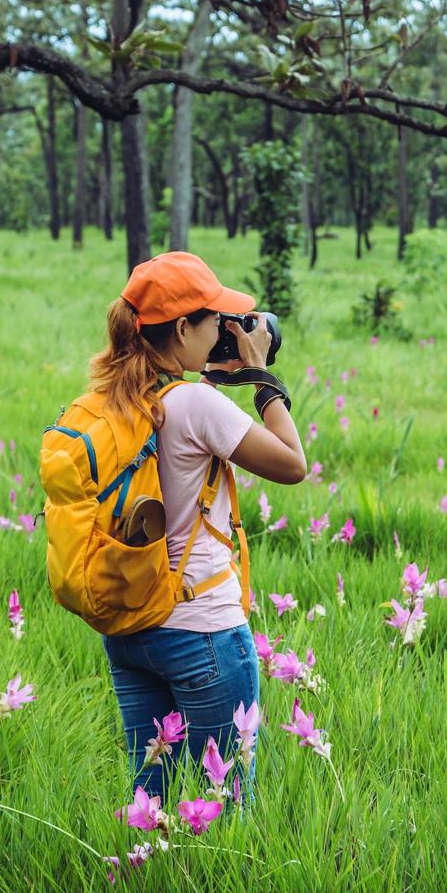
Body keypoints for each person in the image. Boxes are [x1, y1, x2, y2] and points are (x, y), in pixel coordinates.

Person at [85, 250, 306, 803]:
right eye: (215, 322)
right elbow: (292, 465)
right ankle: (218, 891)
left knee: (151, 795)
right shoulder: (195, 405)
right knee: (224, 800)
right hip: (202, 631)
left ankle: (147, 885)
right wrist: (259, 377)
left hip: (131, 628)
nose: (224, 332)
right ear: (183, 327)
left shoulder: (110, 399)